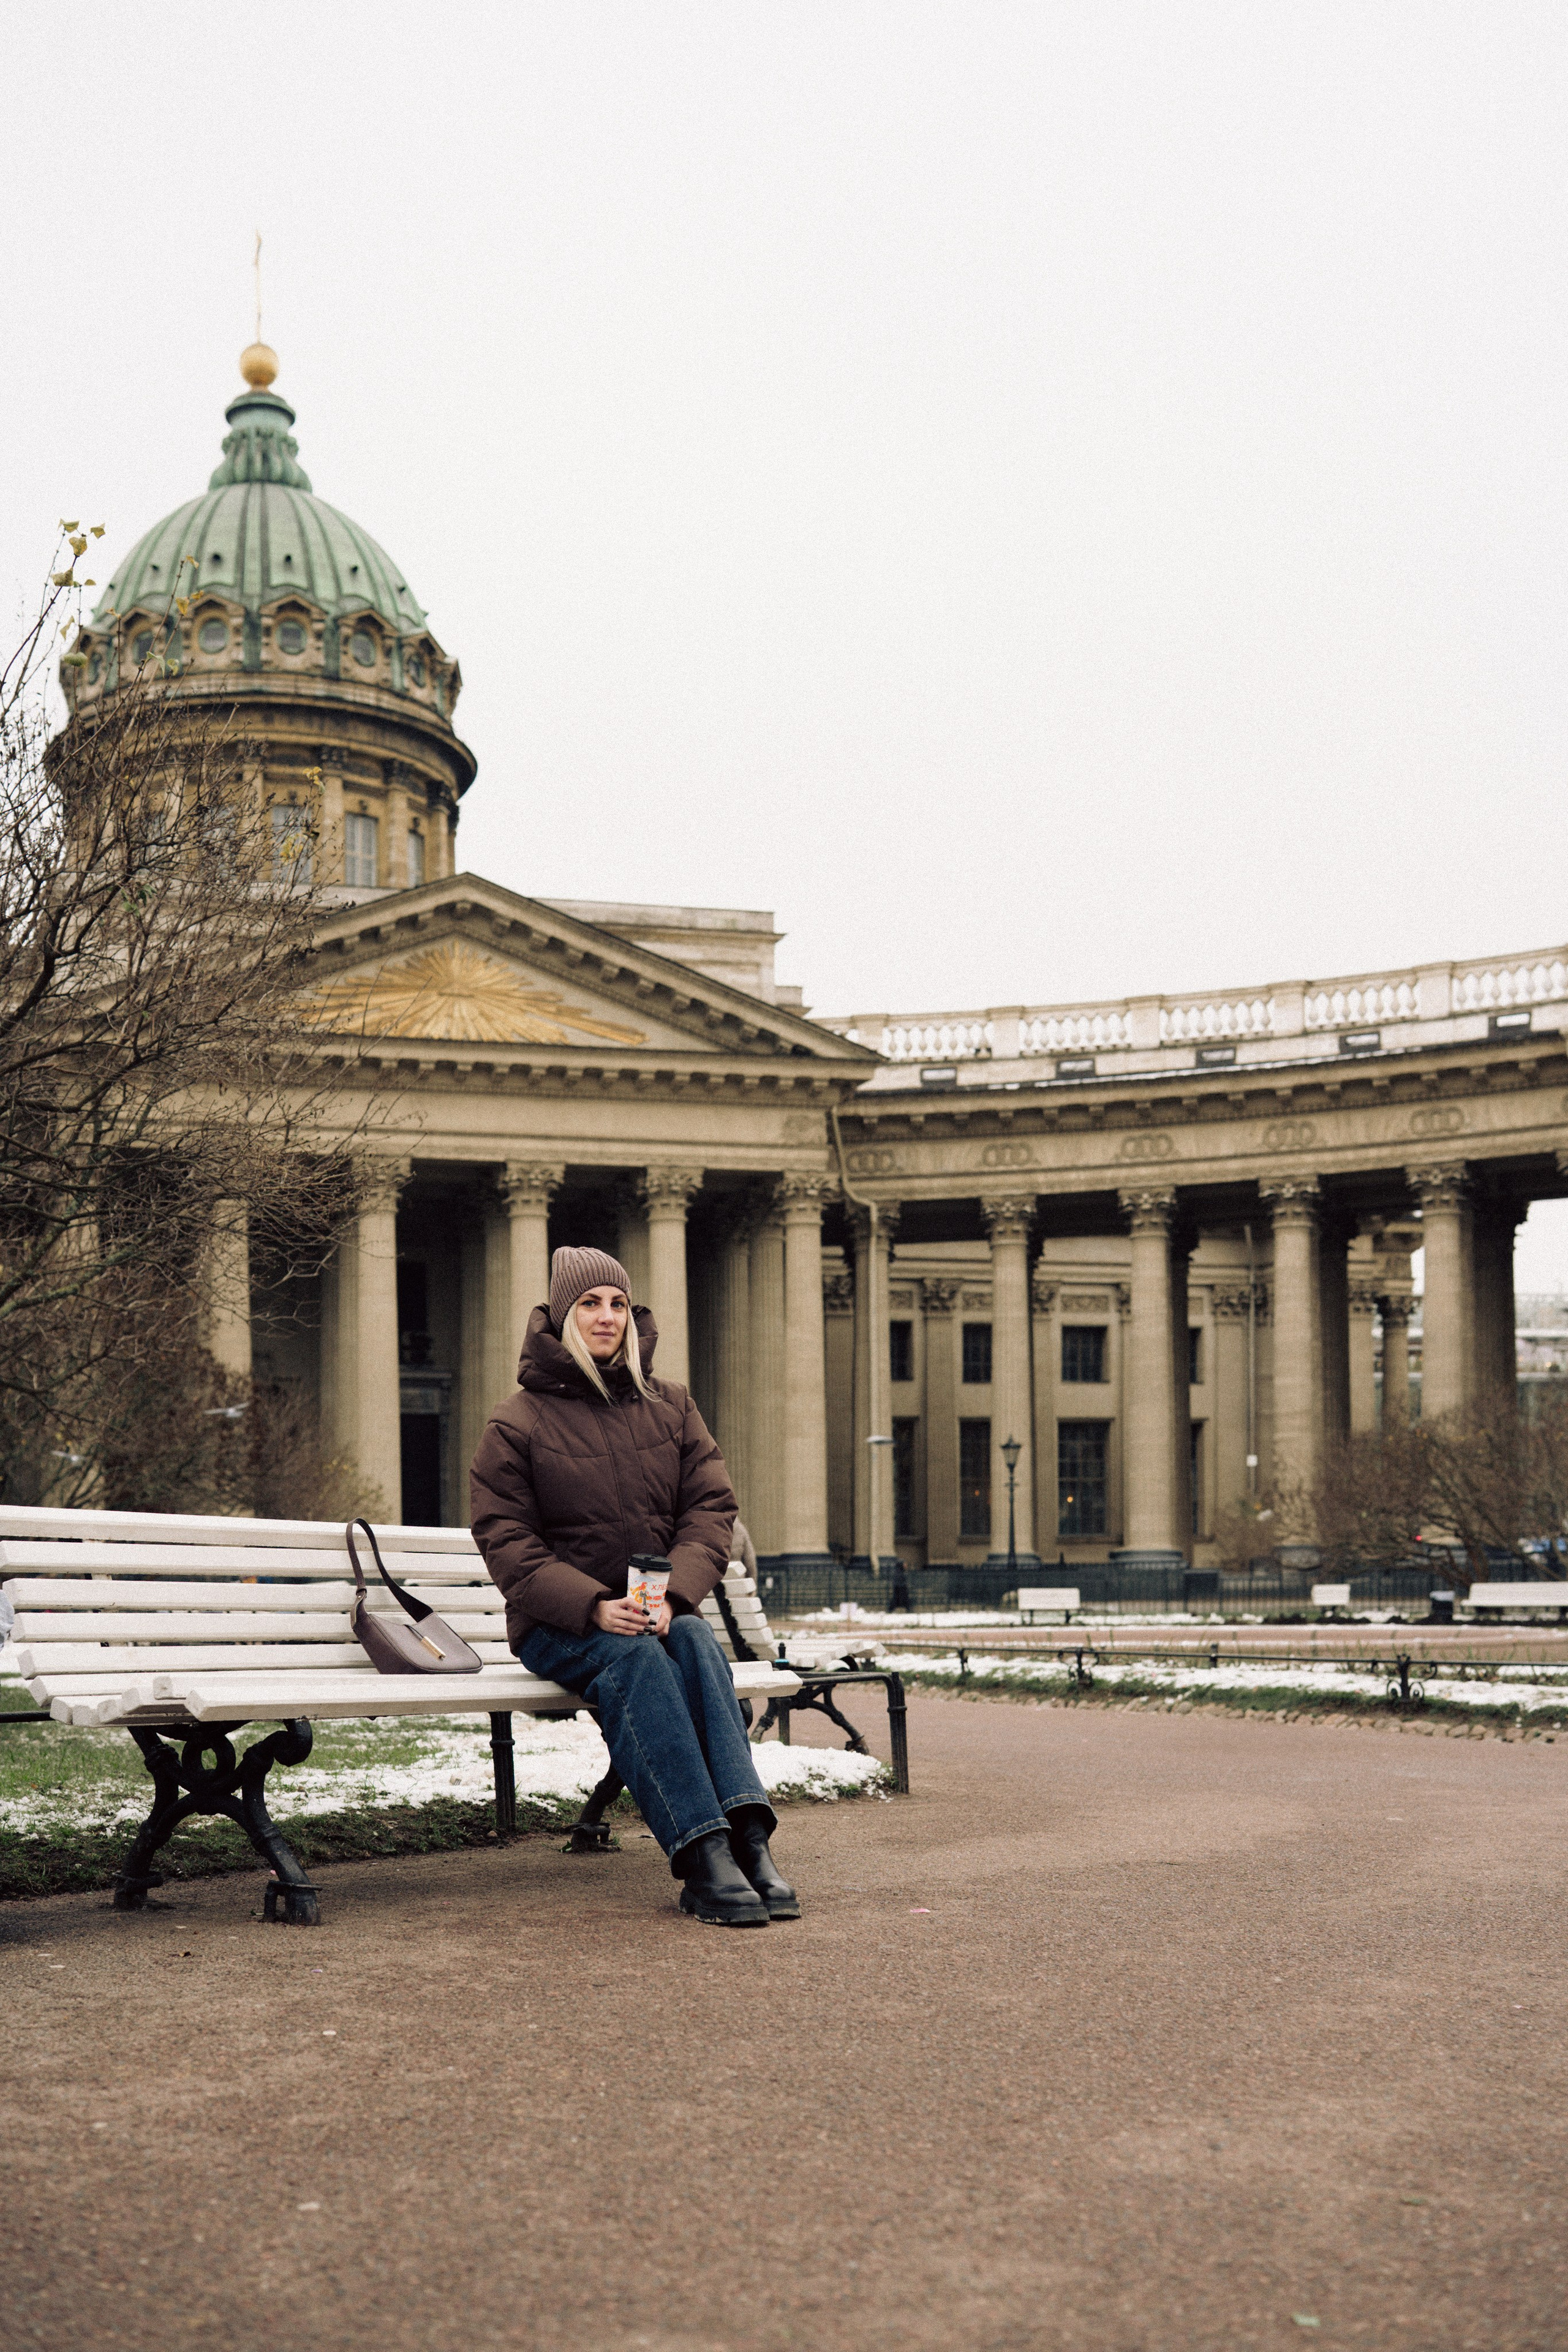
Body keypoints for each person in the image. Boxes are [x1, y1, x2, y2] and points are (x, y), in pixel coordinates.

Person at [469, 1244, 797, 1928]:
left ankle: (749, 1837)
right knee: (637, 1658)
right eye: (589, 1303)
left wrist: (671, 1596)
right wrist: (593, 1605)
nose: (606, 1315)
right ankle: (702, 1851)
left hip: (653, 1611)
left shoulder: (670, 1406)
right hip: (561, 1627)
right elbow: (507, 1542)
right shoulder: (516, 1422)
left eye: (618, 1302)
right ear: (562, 1316)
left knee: (696, 1638)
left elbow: (710, 1511)